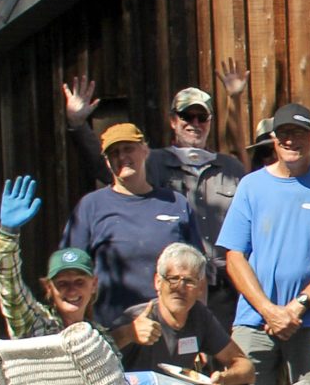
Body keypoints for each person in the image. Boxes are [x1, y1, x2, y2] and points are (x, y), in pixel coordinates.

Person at [216, 101, 310, 385]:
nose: (291, 140)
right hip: (254, 321)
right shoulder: (251, 186)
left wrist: (297, 307)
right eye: (284, 134)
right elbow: (234, 257)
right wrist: (269, 311)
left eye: (300, 133)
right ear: (274, 139)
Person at [61, 70, 249, 276]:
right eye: (187, 116)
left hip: (228, 287)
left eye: (202, 117)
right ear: (173, 121)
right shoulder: (152, 160)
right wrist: (78, 125)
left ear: (210, 122)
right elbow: (108, 166)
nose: (195, 124)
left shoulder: (231, 168)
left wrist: (234, 99)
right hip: (177, 282)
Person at [60, 121, 204, 323]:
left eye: (128, 148)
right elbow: (68, 273)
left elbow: (198, 272)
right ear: (107, 162)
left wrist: (199, 327)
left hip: (170, 328)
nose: (122, 157)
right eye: (114, 153)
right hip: (112, 331)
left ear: (145, 150)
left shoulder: (175, 203)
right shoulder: (90, 206)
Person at [113, 243, 252, 385]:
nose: (180, 288)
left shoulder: (199, 316)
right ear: (158, 282)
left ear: (200, 288)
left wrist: (223, 379)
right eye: (173, 279)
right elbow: (95, 350)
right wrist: (128, 333)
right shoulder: (138, 318)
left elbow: (246, 368)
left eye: (189, 281)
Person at [0, 176, 98, 339]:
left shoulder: (100, 337)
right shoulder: (35, 322)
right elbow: (10, 286)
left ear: (94, 284)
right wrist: (8, 233)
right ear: (48, 287)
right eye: (62, 283)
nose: (72, 290)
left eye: (79, 281)